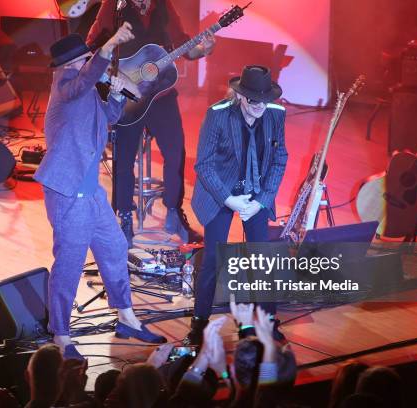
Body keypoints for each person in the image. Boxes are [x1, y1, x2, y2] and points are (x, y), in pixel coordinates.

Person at [34, 23, 166, 360]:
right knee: (70, 263)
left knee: (115, 247)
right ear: (69, 66)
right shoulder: (65, 86)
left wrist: (119, 93)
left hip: (91, 193)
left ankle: (126, 317)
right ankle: (61, 334)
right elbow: (84, 82)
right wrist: (108, 47)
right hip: (68, 193)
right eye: (88, 60)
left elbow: (107, 117)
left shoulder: (84, 88)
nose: (93, 64)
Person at [87, 0, 215, 247]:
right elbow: (92, 44)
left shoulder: (163, 5)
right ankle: (124, 217)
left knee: (176, 152)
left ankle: (174, 213)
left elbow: (185, 47)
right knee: (123, 161)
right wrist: (113, 77)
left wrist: (204, 49)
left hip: (160, 93)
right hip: (125, 91)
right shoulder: (114, 5)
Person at [185, 65, 289, 345]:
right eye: (254, 101)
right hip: (221, 190)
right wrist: (229, 199)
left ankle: (266, 320)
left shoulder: (276, 113)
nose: (260, 107)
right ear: (242, 96)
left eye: (265, 101)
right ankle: (199, 323)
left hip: (256, 193)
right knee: (213, 260)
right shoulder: (218, 115)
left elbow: (280, 159)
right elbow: (203, 164)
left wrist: (262, 201)